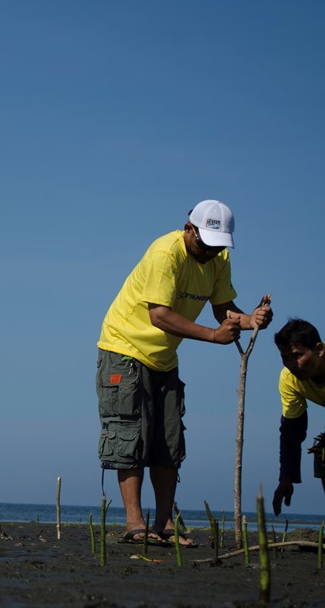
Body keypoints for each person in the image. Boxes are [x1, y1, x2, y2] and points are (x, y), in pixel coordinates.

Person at [95, 200, 271, 547]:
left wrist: (252, 320)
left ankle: (162, 525)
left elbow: (224, 308)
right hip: (124, 348)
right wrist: (213, 335)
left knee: (168, 443)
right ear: (189, 229)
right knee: (130, 437)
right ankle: (135, 524)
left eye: (217, 244)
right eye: (204, 242)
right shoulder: (166, 253)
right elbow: (158, 315)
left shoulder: (218, 258)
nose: (210, 250)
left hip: (164, 358)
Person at [271, 318, 325, 517]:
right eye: (285, 357)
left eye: (297, 355)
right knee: (323, 452)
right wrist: (287, 477)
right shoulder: (289, 378)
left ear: (319, 350)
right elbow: (292, 429)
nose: (292, 364)